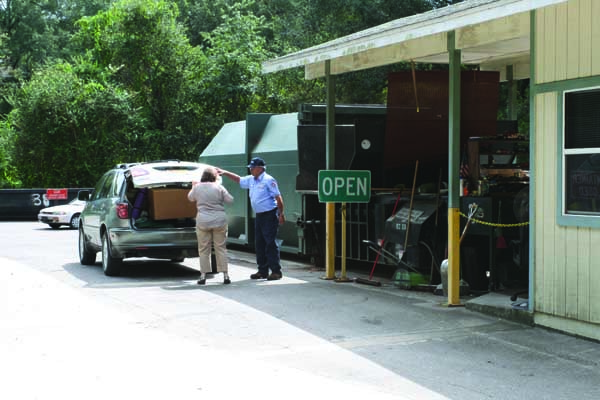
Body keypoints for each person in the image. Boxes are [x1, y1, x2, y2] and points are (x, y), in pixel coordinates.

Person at [217, 157, 285, 280]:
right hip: (259, 215)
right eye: (250, 168)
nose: (251, 170)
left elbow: (278, 198)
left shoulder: (269, 180)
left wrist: (281, 214)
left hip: (269, 214)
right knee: (259, 243)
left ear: (260, 168)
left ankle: (276, 271)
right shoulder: (252, 180)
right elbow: (238, 179)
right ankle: (262, 270)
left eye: (252, 168)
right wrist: (225, 172)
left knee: (270, 243)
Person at [187, 166, 234, 285]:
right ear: (214, 176)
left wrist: (193, 186)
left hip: (203, 221)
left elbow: (190, 198)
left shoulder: (197, 187)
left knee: (203, 249)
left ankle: (203, 276)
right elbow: (230, 200)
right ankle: (225, 275)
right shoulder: (219, 187)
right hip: (219, 220)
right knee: (221, 248)